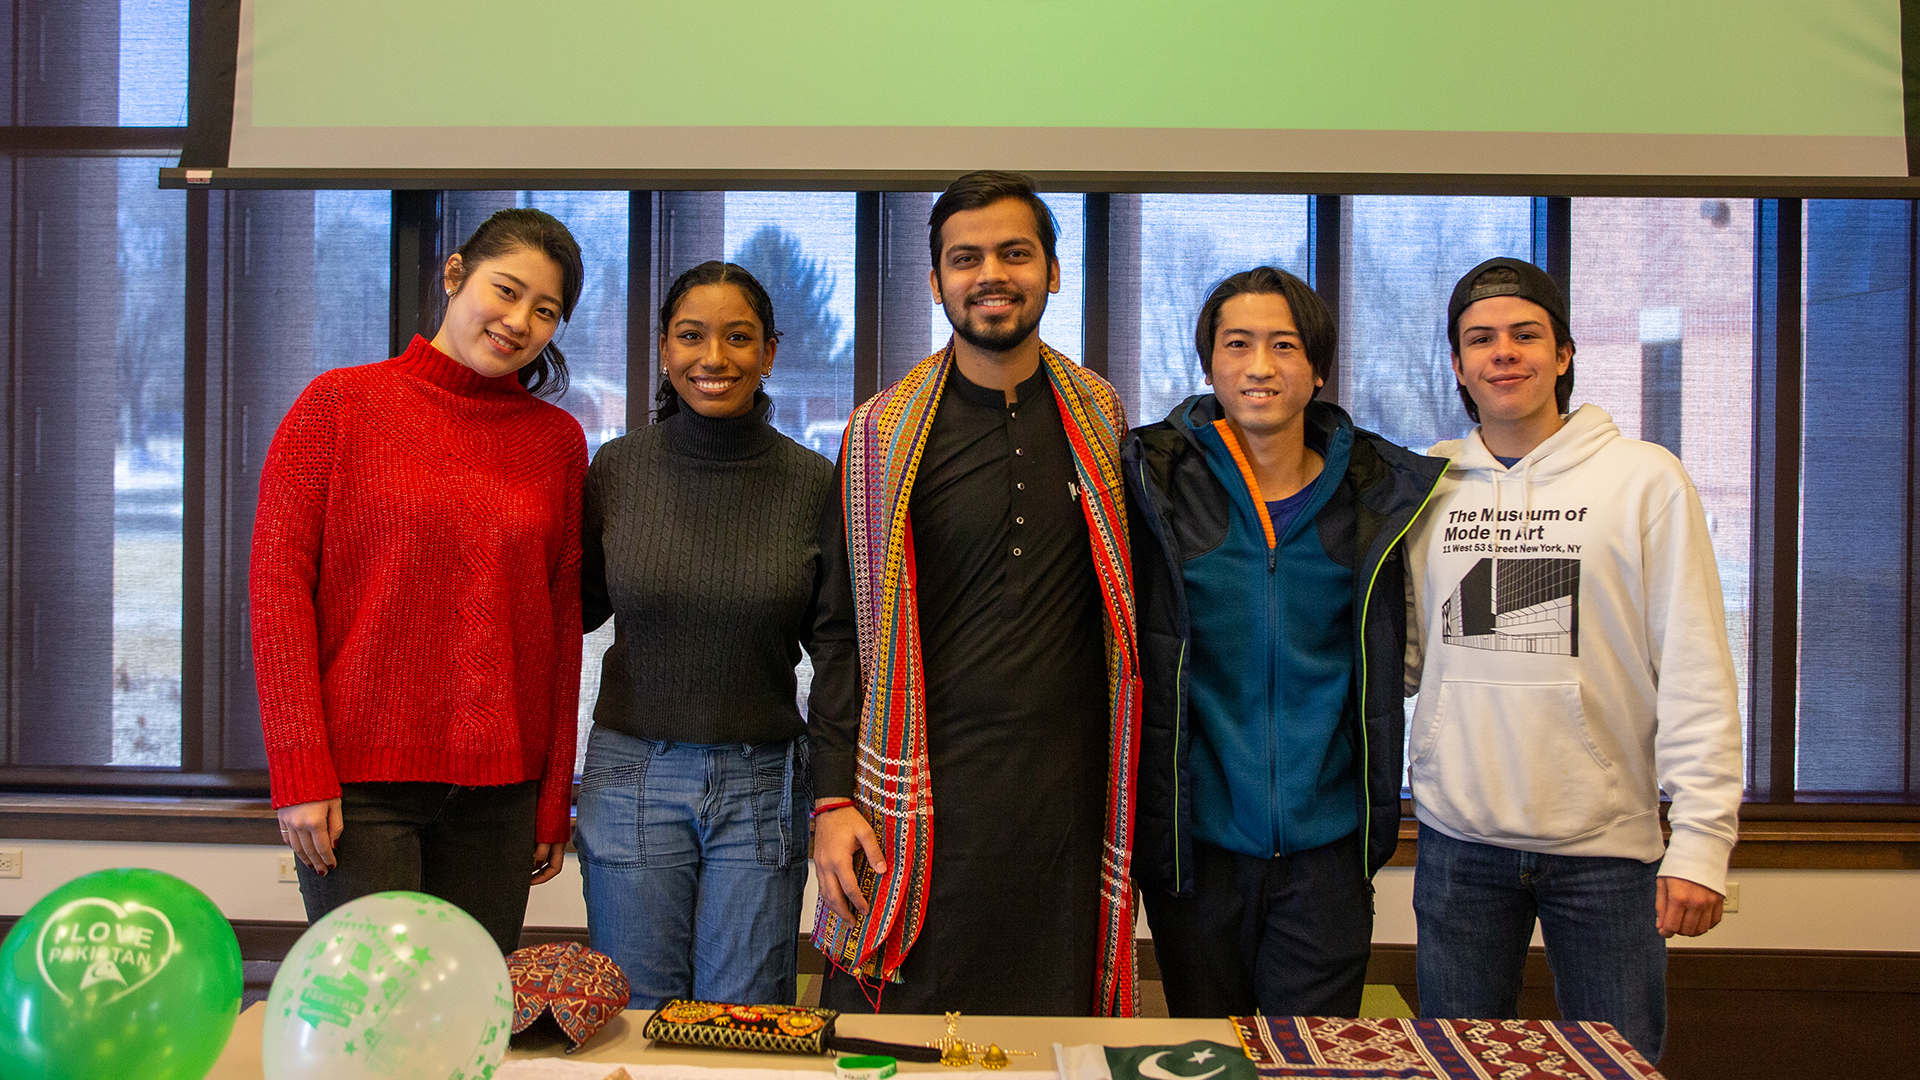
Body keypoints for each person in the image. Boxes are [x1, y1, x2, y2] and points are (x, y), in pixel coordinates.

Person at [807, 171, 1142, 1016]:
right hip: (921, 798)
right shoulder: (881, 435)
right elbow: (843, 630)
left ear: (1053, 272)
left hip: (1063, 801)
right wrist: (832, 800)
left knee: (1054, 1042)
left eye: (1014, 253)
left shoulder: (1100, 418)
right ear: (937, 282)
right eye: (966, 257)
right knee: (900, 1042)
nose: (990, 273)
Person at [1404, 257, 1742, 1062]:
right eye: (1481, 339)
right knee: (1459, 1067)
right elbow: (1410, 658)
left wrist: (1701, 842)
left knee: (1619, 1067)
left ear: (1563, 355)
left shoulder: (1645, 481)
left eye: (1526, 335)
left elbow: (1696, 668)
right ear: (1458, 363)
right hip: (1459, 843)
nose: (1504, 353)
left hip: (1607, 851)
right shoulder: (1424, 486)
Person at [252, 208, 589, 957]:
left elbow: (559, 627)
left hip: (499, 799)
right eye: (506, 291)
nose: (519, 322)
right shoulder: (337, 407)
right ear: (453, 273)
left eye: (546, 312)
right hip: (359, 791)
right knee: (371, 1022)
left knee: (472, 1022)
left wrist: (549, 798)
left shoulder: (556, 443)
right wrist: (298, 770)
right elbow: (277, 596)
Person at [1126, 268, 1445, 1018]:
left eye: (1284, 345)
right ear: (1210, 364)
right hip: (1195, 851)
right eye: (1238, 344)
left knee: (1312, 1064)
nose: (1260, 366)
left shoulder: (1375, 496)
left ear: (1319, 369)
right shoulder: (1153, 485)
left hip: (1327, 854)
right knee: (1209, 1061)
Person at [574, 261, 833, 1007]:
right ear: (664, 349)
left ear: (771, 353)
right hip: (632, 778)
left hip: (764, 781)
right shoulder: (617, 469)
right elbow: (571, 609)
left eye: (738, 338)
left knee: (742, 1020)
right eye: (691, 336)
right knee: (637, 1013)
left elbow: (843, 649)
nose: (713, 358)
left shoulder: (814, 481)